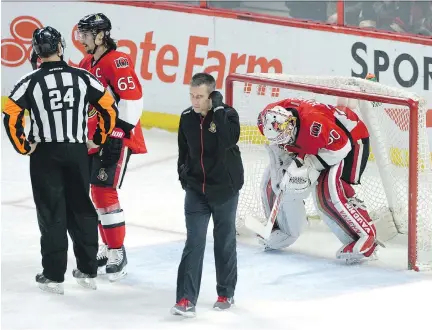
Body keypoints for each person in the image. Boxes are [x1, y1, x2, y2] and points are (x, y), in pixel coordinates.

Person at [2, 26, 118, 294]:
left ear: (36, 52)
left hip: (45, 155)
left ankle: (54, 277)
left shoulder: (29, 81)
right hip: (77, 152)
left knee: (51, 212)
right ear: (60, 48)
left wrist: (23, 145)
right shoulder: (82, 77)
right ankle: (88, 271)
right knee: (82, 209)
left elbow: (10, 114)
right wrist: (99, 137)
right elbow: (108, 106)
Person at [256, 97, 379, 262]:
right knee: (274, 178)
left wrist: (311, 164)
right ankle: (281, 227)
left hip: (349, 140)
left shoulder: (314, 125)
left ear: (291, 124)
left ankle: (365, 235)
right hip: (320, 140)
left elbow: (342, 147)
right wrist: (295, 161)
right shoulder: (267, 119)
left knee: (329, 190)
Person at [76, 13, 147, 281]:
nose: (81, 39)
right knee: (96, 194)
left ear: (101, 35)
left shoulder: (118, 60)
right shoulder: (86, 62)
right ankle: (107, 247)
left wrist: (118, 134)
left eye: (86, 34)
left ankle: (118, 251)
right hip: (94, 139)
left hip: (115, 137)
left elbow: (133, 99)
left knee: (105, 193)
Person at [172, 73, 244, 317]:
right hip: (196, 190)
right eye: (192, 95)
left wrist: (220, 109)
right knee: (194, 242)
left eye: (200, 96)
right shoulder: (186, 118)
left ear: (211, 95)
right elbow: (183, 151)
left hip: (224, 190)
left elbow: (228, 140)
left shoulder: (228, 115)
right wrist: (184, 175)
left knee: (224, 242)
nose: (195, 101)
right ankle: (185, 299)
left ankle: (226, 292)